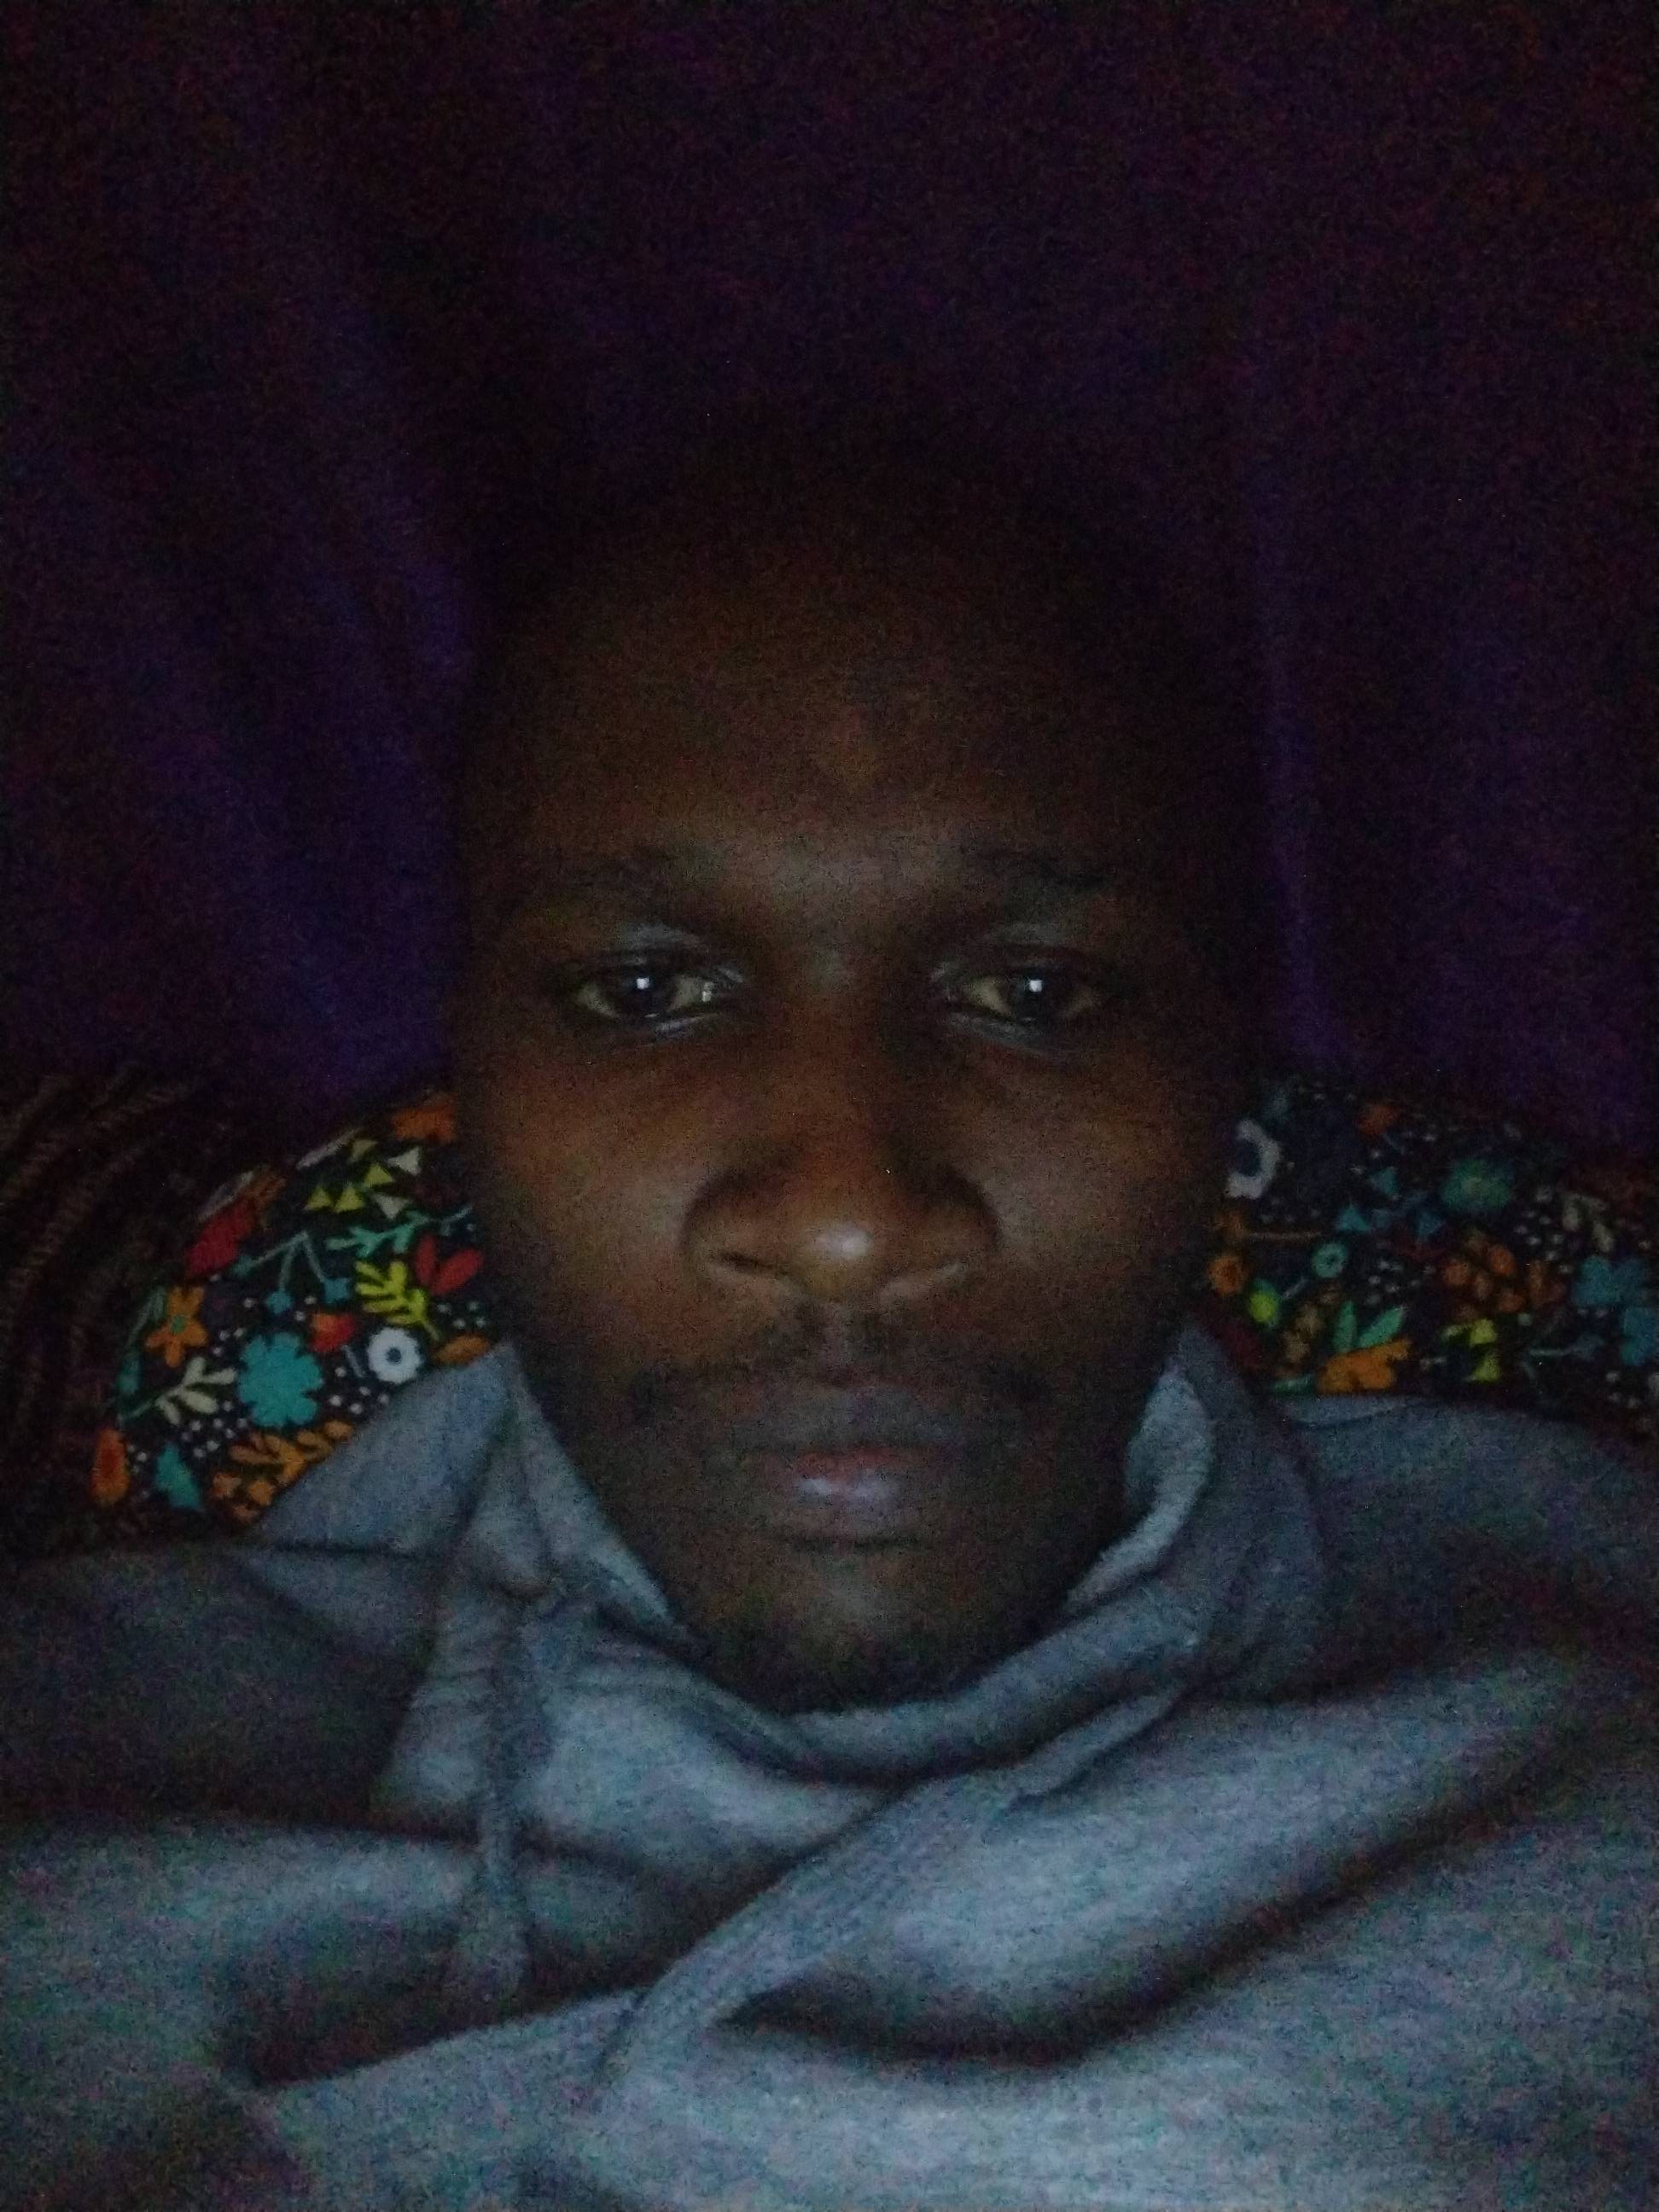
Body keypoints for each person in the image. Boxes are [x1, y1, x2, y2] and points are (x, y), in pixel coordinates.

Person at [2, 426, 1655, 2212]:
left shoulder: (1600, 1768)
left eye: (1039, 991)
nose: (853, 1226)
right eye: (647, 987)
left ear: (1218, 1083)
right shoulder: (71, 1786)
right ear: (465, 1075)